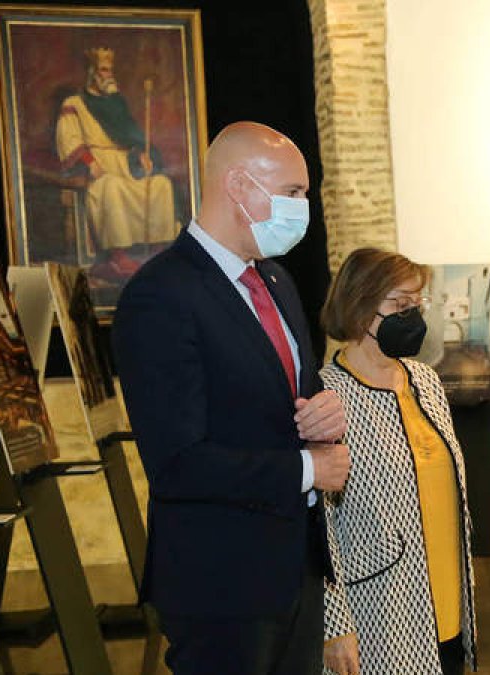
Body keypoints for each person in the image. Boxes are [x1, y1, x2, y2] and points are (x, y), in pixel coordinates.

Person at [112, 121, 351, 674]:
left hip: (296, 568)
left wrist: (325, 414)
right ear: (239, 187)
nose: (301, 208)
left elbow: (294, 397)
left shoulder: (277, 283)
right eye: (293, 193)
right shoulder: (160, 296)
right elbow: (176, 464)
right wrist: (306, 470)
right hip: (220, 581)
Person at [319, 248, 477, 675]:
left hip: (448, 599)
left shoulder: (424, 379)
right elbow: (320, 525)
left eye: (417, 304)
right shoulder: (325, 397)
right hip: (381, 613)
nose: (413, 316)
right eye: (400, 304)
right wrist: (334, 625)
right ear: (361, 304)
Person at [57, 47, 178, 279]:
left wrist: (140, 155)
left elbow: (129, 139)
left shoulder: (117, 104)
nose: (108, 75)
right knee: (111, 187)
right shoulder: (75, 103)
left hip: (124, 165)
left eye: (110, 70)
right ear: (92, 72)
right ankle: (119, 256)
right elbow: (68, 138)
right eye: (103, 70)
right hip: (97, 168)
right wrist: (89, 161)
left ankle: (157, 251)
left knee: (161, 184)